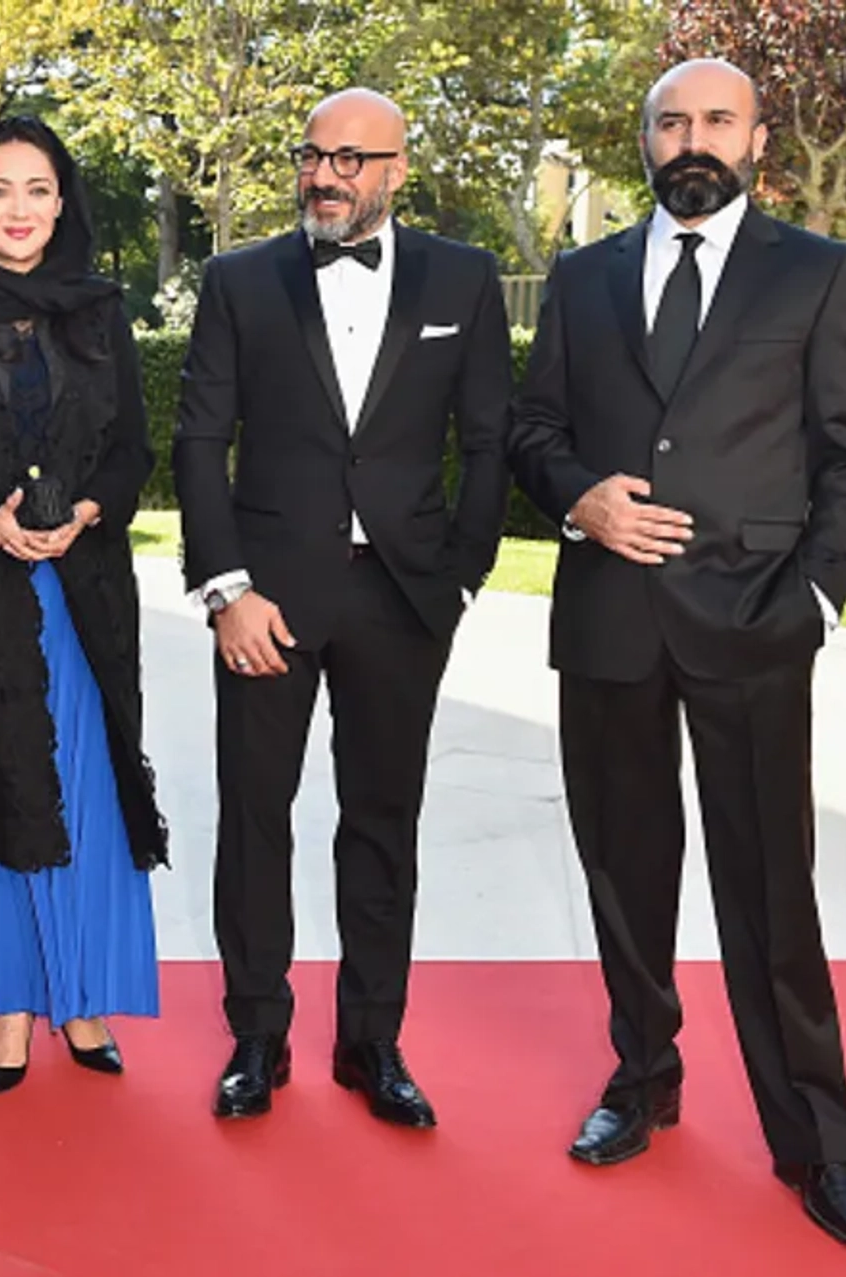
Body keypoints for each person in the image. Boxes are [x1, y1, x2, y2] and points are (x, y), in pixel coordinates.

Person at [507, 59, 846, 1253]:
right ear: (644, 140)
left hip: (757, 620)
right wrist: (582, 501)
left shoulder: (817, 273)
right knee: (625, 872)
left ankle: (818, 1144)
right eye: (672, 120)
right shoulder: (579, 279)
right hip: (611, 621)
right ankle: (643, 1077)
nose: (694, 138)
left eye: (717, 120)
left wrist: (816, 600)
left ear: (757, 139)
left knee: (773, 891)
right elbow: (532, 431)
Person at [172, 89, 513, 1127]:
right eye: (313, 156)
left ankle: (373, 1043)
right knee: (254, 820)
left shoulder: (465, 277)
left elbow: (490, 441)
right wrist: (227, 589)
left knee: (381, 823)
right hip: (266, 597)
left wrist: (458, 578)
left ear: (397, 169)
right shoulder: (240, 279)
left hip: (405, 597)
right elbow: (197, 440)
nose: (325, 175)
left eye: (350, 159)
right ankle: (256, 1038)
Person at [0, 116, 169, 1095]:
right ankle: (11, 1002)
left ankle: (85, 995)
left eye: (37, 189)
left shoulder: (100, 310)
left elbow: (134, 446)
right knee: (0, 786)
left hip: (85, 595)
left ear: (64, 203)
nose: (18, 209)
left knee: (89, 794)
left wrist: (92, 507)